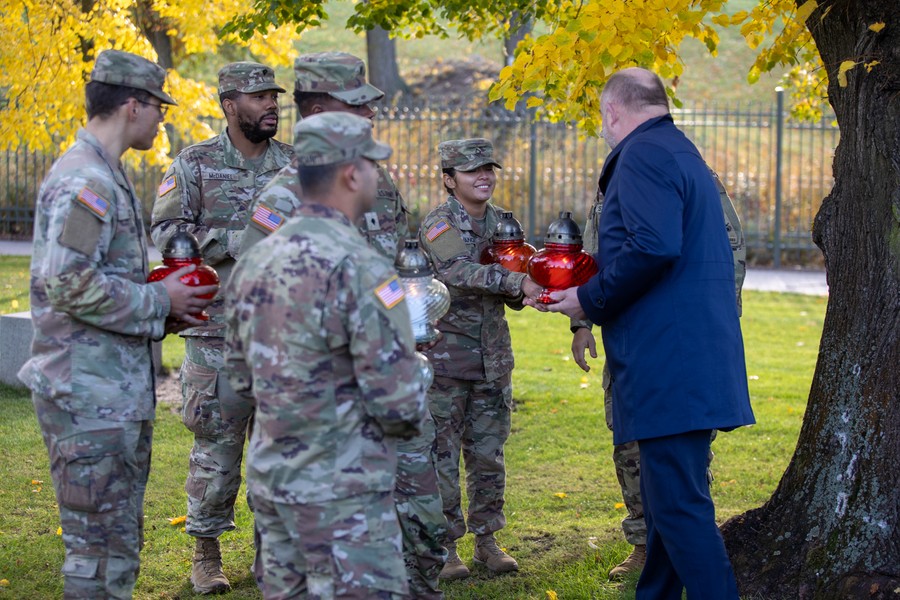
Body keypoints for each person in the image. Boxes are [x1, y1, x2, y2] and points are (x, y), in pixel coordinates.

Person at [535, 67, 755, 598]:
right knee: (664, 505)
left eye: (602, 119)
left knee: (679, 508)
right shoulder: (678, 150)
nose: (604, 128)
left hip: (670, 362)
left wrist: (587, 298)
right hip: (686, 355)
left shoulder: (642, 155)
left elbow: (654, 247)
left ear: (613, 111)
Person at [241, 52, 448, 599]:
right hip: (344, 471)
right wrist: (412, 364)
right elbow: (399, 400)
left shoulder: (262, 260)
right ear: (351, 171)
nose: (372, 115)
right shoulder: (350, 260)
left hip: (282, 465)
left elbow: (245, 362)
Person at [18, 49, 217, 599]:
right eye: (159, 108)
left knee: (117, 545)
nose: (162, 119)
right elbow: (67, 281)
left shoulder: (104, 173)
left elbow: (98, 283)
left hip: (109, 393)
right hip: (87, 397)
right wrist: (158, 300)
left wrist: (165, 307)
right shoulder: (87, 181)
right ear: (134, 105)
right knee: (96, 554)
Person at [150, 61, 292, 594]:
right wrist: (239, 244)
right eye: (259, 98)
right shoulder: (194, 164)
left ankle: (272, 553)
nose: (272, 105)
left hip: (284, 333)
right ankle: (206, 554)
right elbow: (167, 232)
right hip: (217, 330)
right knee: (217, 444)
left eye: (275, 97)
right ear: (230, 105)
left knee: (280, 448)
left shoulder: (296, 166)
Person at [569, 170, 747, 580]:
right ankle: (644, 544)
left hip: (679, 337)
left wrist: (720, 314)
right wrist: (581, 325)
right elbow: (595, 257)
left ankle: (689, 541)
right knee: (630, 444)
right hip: (626, 339)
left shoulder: (689, 175)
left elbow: (729, 247)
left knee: (683, 448)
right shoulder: (612, 179)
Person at [418, 138, 542, 580]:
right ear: (449, 180)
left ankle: (488, 540)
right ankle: (447, 546)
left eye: (488, 167)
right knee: (442, 459)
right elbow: (456, 272)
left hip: (492, 361)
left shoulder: (504, 223)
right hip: (447, 362)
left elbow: (514, 284)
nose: (483, 176)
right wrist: (516, 282)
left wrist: (534, 285)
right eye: (471, 171)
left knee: (489, 457)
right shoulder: (439, 224)